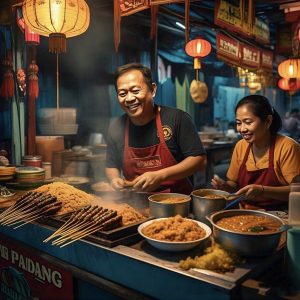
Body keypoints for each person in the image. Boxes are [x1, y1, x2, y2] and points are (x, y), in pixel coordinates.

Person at [105, 62, 206, 194]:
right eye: (122, 93)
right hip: (136, 205)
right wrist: (114, 179)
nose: (129, 98)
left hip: (176, 204)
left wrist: (161, 175)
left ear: (152, 90)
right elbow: (111, 165)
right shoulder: (116, 126)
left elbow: (199, 160)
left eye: (135, 91)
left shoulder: (177, 118)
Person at [211, 95, 300, 210]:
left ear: (268, 121)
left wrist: (262, 190)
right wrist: (225, 186)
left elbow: (297, 190)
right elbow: (233, 184)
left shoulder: (287, 147)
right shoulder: (241, 146)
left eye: (248, 122)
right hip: (245, 213)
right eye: (238, 123)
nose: (242, 129)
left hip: (281, 215)